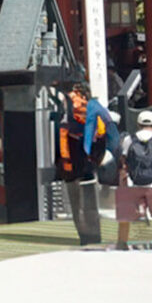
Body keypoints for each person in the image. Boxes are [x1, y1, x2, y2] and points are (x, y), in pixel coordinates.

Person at [50, 83, 114, 248]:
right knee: (91, 202)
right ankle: (94, 234)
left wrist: (62, 166)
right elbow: (103, 138)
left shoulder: (65, 119)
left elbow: (61, 144)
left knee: (76, 204)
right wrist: (97, 160)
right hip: (91, 166)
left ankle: (84, 236)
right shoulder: (97, 112)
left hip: (71, 167)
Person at [111, 110, 152, 250]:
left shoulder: (128, 140)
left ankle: (122, 242)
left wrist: (123, 181)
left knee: (125, 214)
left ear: (138, 124)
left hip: (132, 182)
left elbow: (123, 162)